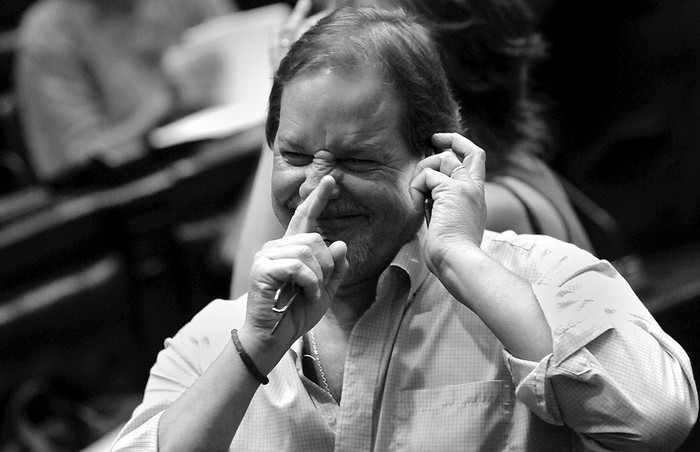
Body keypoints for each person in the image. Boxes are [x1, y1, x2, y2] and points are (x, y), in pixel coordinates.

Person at [113, 7, 697, 451]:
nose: (318, 187)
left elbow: (658, 418)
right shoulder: (216, 337)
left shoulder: (544, 279)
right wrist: (253, 353)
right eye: (294, 157)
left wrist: (459, 258)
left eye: (357, 162)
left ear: (435, 158)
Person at [228, 0, 592, 298]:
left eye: (354, 24)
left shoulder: (476, 212)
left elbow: (249, 303)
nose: (330, 45)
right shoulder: (517, 166)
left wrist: (286, 95)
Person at [14, 0, 235, 185]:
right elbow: (75, 165)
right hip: (132, 207)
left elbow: (253, 76)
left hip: (225, 167)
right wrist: (164, 103)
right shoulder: (49, 33)